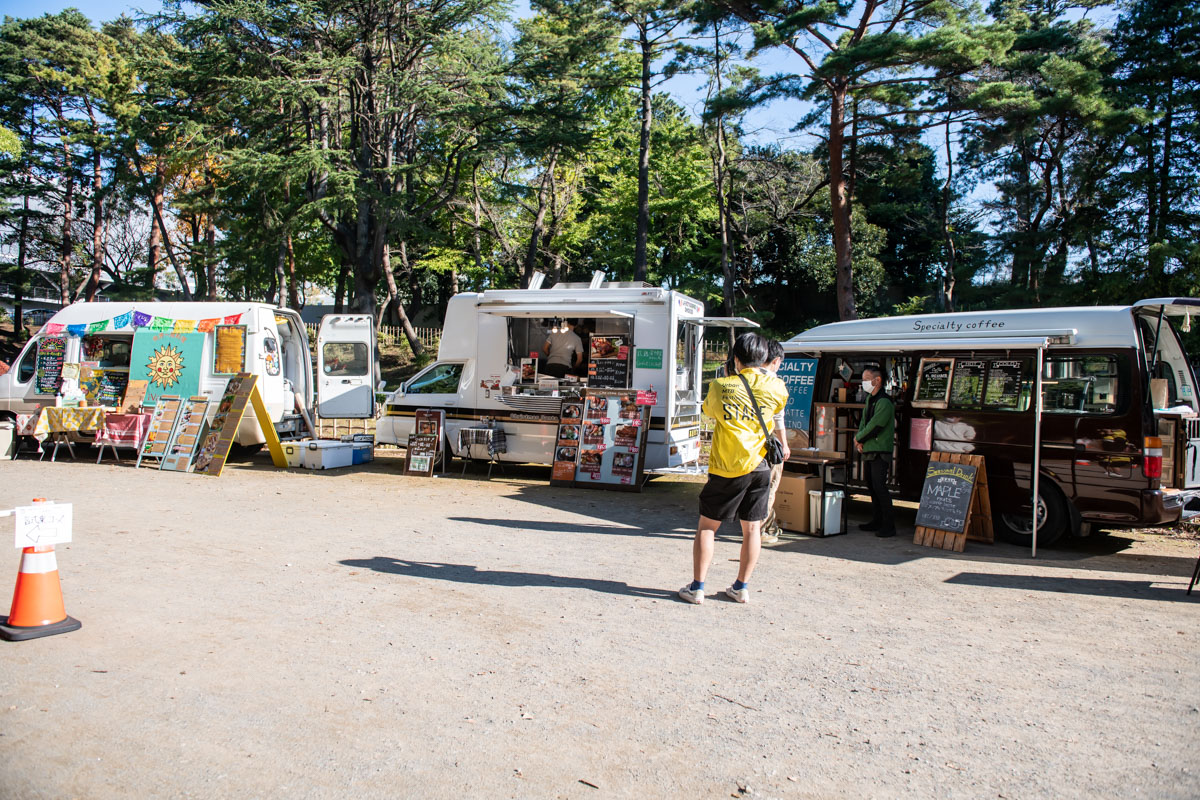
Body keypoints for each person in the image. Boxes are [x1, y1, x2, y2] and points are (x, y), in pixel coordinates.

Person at [679, 332, 789, 605]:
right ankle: (741, 587)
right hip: (761, 466)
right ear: (764, 358)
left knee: (707, 526)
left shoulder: (720, 386)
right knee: (752, 529)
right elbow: (775, 411)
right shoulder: (777, 388)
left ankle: (697, 588)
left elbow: (709, 411)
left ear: (736, 359)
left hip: (728, 467)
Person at [855, 365, 896, 537]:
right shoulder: (869, 399)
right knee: (872, 486)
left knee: (880, 487)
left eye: (866, 379)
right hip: (869, 449)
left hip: (880, 449)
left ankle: (889, 525)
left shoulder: (885, 401)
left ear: (877, 380)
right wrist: (859, 439)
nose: (863, 383)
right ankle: (877, 520)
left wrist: (859, 438)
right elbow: (864, 422)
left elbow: (876, 426)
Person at [759, 339, 790, 544]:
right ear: (776, 361)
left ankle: (763, 526)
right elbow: (778, 419)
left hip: (747, 444)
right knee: (769, 486)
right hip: (768, 444)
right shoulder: (775, 384)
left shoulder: (743, 379)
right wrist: (785, 445)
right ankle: (760, 531)